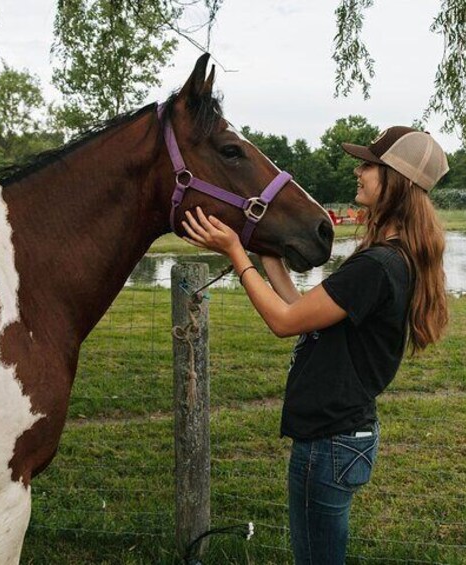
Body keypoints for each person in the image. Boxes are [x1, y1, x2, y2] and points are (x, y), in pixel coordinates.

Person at [181, 126, 450, 564]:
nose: (358, 172)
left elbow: (284, 322)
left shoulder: (377, 266)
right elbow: (308, 315)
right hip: (346, 435)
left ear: (394, 182)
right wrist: (265, 252)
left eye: (369, 165)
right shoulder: (392, 257)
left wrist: (234, 252)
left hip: (329, 443)